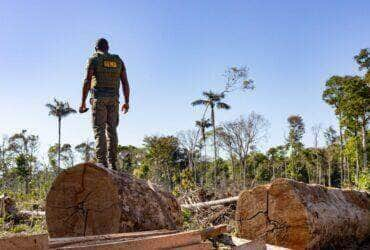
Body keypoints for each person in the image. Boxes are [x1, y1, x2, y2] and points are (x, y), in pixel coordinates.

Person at [79, 38, 130, 170]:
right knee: (112, 130)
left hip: (99, 99)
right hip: (114, 100)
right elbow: (125, 83)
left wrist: (83, 102)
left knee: (99, 130)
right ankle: (113, 164)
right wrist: (127, 102)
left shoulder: (94, 59)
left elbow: (87, 81)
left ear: (96, 48)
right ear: (108, 48)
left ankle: (102, 163)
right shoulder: (118, 60)